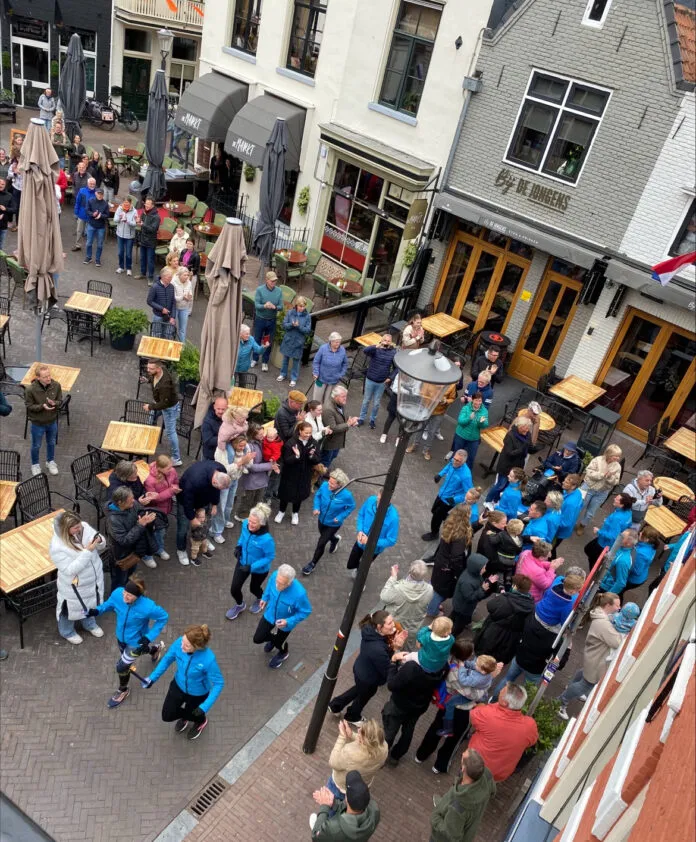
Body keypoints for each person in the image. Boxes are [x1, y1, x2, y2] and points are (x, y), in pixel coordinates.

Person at [88, 575, 168, 708]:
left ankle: (123, 690)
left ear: (138, 596)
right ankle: (154, 649)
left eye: (129, 595)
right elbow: (110, 604)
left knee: (122, 667)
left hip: (136, 643)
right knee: (126, 662)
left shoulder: (148, 607)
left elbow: (163, 617)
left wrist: (148, 637)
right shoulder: (118, 593)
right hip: (121, 637)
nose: (125, 596)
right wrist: (97, 611)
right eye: (125, 592)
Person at [143, 623, 224, 740]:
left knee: (196, 712)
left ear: (196, 647)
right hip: (178, 685)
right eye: (182, 641)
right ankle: (191, 716)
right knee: (167, 715)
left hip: (197, 694)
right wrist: (152, 678)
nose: (181, 646)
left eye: (186, 645)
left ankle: (200, 721)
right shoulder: (179, 643)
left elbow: (219, 683)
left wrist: (204, 707)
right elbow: (167, 660)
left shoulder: (208, 660)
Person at [329, 610, 407, 723]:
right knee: (363, 697)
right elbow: (387, 669)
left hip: (362, 670)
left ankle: (335, 705)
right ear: (379, 626)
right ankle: (352, 716)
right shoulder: (377, 648)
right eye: (390, 623)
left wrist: (392, 646)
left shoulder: (370, 632)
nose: (393, 625)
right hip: (369, 678)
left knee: (359, 690)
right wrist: (395, 649)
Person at [557, 592, 622, 719]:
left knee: (584, 673)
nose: (619, 608)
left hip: (593, 655)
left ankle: (570, 687)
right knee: (586, 684)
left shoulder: (601, 616)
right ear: (608, 605)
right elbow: (617, 643)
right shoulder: (603, 624)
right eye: (617, 605)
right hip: (597, 659)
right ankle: (561, 701)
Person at [382, 645, 450, 766]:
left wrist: (393, 662)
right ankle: (396, 756)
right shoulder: (444, 666)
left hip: (399, 704)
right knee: (408, 731)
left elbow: (391, 685)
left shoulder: (412, 667)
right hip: (419, 706)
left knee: (390, 731)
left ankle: (382, 754)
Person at [50, 511, 106, 644]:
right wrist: (88, 551)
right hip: (74, 586)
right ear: (66, 529)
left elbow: (101, 542)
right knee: (69, 609)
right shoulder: (57, 546)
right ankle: (67, 631)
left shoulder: (83, 526)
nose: (80, 529)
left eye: (80, 525)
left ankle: (89, 624)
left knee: (90, 603)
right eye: (76, 528)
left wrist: (100, 540)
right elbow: (70, 570)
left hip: (93, 579)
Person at [468, 683, 538, 781]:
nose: (500, 691)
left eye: (502, 691)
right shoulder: (530, 725)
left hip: (474, 767)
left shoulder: (487, 714)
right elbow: (531, 742)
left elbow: (473, 715)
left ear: (505, 703)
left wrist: (482, 705)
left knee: (464, 785)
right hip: (499, 774)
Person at [253, 563, 312, 669]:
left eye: (281, 584)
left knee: (279, 644)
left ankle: (283, 652)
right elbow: (269, 587)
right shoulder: (275, 575)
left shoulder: (299, 594)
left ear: (289, 583)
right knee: (258, 638)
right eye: (277, 582)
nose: (277, 586)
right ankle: (276, 640)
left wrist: (288, 621)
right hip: (270, 614)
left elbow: (306, 611)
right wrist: (265, 598)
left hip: (285, 623)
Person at [430, 749, 496, 842]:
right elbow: (493, 791)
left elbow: (451, 835)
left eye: (463, 756)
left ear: (464, 768)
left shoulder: (458, 806)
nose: (462, 753)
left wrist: (435, 818)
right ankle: (443, 806)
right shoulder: (486, 774)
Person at [226, 502, 275, 620]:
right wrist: (238, 546)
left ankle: (261, 598)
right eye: (249, 520)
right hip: (243, 562)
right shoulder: (245, 524)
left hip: (260, 569)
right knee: (234, 588)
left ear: (261, 524)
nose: (250, 524)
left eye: (254, 523)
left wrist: (252, 567)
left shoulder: (267, 539)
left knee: (254, 588)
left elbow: (270, 557)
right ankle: (240, 605)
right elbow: (243, 537)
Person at [176, 461, 230, 566]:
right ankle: (181, 549)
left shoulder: (221, 471)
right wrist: (192, 518)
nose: (220, 490)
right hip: (185, 499)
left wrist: (215, 504)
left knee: (203, 522)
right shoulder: (194, 480)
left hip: (203, 499)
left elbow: (216, 490)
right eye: (219, 487)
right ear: (214, 482)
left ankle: (202, 540)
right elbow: (187, 501)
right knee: (183, 526)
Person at [303, 469, 356, 575]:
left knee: (321, 543)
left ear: (339, 485)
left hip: (333, 524)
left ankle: (312, 564)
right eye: (329, 481)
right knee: (324, 536)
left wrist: (340, 517)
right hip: (321, 519)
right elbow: (318, 496)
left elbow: (351, 506)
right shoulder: (324, 486)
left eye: (332, 483)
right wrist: (316, 507)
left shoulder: (346, 495)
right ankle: (335, 540)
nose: (329, 484)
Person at [474, 574, 535, 664]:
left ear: (515, 586)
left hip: (493, 634)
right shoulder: (531, 607)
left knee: (481, 659)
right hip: (510, 641)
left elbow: (490, 606)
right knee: (496, 664)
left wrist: (502, 596)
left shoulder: (505, 599)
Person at [325, 719, 388, 803]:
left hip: (341, 787)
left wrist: (342, 736)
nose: (358, 729)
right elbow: (369, 744)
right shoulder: (384, 747)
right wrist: (351, 735)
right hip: (363, 784)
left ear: (364, 740)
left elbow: (333, 762)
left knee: (330, 803)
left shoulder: (350, 753)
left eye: (361, 731)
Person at [427, 505, 473, 616]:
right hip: (447, 569)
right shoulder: (460, 536)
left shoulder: (450, 525)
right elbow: (456, 558)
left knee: (435, 584)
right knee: (440, 592)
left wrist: (478, 523)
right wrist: (459, 573)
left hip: (440, 562)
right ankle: (432, 610)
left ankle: (429, 601)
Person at [438, 654, 500, 737]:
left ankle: (448, 728)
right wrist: (464, 661)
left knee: (449, 704)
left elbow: (463, 681)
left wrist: (462, 667)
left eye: (477, 664)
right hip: (477, 691)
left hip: (468, 697)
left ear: (483, 671)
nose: (475, 664)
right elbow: (472, 665)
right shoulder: (483, 671)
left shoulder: (478, 679)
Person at [310, 770, 380, 841]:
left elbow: (315, 837)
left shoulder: (333, 828)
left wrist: (324, 806)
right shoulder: (375, 810)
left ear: (346, 798)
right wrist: (333, 802)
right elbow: (351, 809)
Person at [107, 486, 159, 580]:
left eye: (133, 498)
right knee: (120, 579)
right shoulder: (113, 520)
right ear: (120, 502)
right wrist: (140, 525)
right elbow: (124, 541)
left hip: (135, 550)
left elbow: (141, 513)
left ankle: (128, 583)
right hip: (123, 555)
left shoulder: (133, 504)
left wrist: (149, 520)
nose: (133, 500)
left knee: (130, 572)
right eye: (130, 499)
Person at [275, 421, 322, 524]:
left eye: (310, 433)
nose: (308, 435)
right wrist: (296, 456)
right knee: (285, 494)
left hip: (305, 474)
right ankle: (281, 511)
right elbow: (286, 460)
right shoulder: (291, 443)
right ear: (300, 431)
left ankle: (295, 513)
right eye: (306, 432)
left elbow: (318, 459)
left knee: (299, 495)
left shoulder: (313, 443)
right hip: (290, 475)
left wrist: (311, 456)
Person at [422, 450, 473, 542]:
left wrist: (454, 499)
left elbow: (468, 493)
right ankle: (451, 519)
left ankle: (434, 533)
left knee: (436, 516)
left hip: (449, 500)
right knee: (434, 510)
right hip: (442, 493)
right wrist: (440, 474)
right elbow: (448, 466)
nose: (455, 462)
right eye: (454, 459)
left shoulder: (466, 476)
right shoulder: (453, 462)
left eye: (458, 461)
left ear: (463, 462)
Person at [346, 491, 400, 577]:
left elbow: (391, 540)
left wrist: (371, 541)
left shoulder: (393, 517)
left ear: (389, 499)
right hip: (360, 542)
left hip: (374, 550)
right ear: (378, 494)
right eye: (379, 498)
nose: (379, 502)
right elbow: (361, 515)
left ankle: (360, 575)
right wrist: (360, 530)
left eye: (383, 500)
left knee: (363, 567)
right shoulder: (371, 500)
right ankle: (359, 568)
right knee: (351, 564)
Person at [379, 561, 433, 646]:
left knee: (391, 643)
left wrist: (393, 577)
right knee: (408, 645)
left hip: (396, 623)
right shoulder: (429, 589)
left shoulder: (398, 588)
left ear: (410, 571)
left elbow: (384, 597)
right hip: (414, 625)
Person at [142, 359, 182, 466]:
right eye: (147, 367)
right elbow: (154, 378)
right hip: (161, 403)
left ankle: (177, 458)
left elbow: (164, 404)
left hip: (169, 408)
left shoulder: (165, 385)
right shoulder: (159, 371)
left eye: (151, 368)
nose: (148, 370)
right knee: (151, 419)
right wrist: (149, 380)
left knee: (170, 432)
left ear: (158, 369)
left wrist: (150, 407)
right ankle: (149, 439)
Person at [576, 444, 623, 534]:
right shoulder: (597, 460)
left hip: (602, 492)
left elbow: (616, 481)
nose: (618, 458)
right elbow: (589, 472)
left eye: (619, 456)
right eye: (616, 456)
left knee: (591, 512)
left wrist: (610, 477)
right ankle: (571, 522)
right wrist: (602, 475)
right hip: (588, 488)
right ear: (609, 454)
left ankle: (582, 525)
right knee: (579, 506)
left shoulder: (617, 467)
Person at [235, 423, 279, 519]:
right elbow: (251, 467)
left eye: (263, 433)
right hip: (251, 480)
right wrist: (269, 466)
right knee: (247, 502)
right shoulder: (248, 446)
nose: (263, 436)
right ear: (253, 434)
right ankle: (241, 517)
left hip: (261, 479)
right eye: (260, 434)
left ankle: (251, 517)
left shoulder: (263, 442)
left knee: (256, 501)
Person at [25, 364, 62, 477]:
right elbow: (29, 406)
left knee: (51, 442)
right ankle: (35, 465)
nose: (48, 378)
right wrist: (42, 406)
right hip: (38, 424)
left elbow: (60, 401)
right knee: (36, 445)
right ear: (38, 378)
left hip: (52, 421)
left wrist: (54, 403)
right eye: (45, 377)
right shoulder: (30, 390)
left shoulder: (56, 385)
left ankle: (50, 461)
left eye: (49, 375)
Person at [485, 416, 532, 503]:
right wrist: (522, 448)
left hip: (517, 466)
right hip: (506, 466)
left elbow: (529, 445)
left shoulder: (527, 434)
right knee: (500, 485)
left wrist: (533, 448)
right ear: (520, 427)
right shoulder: (510, 436)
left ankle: (496, 500)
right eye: (526, 428)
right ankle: (488, 501)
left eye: (528, 428)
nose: (527, 430)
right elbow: (510, 453)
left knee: (507, 486)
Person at [450, 553, 497, 636]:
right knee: (459, 624)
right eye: (483, 567)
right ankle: (452, 635)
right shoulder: (467, 582)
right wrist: (482, 589)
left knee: (455, 615)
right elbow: (470, 598)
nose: (485, 569)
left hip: (462, 605)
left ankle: (452, 623)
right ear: (476, 567)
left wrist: (488, 581)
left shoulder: (473, 573)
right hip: (463, 607)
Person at [144, 455, 180, 561]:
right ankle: (155, 551)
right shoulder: (150, 480)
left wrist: (175, 487)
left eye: (171, 467)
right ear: (159, 468)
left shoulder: (172, 471)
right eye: (168, 468)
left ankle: (158, 548)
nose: (171, 470)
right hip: (155, 509)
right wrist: (171, 491)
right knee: (159, 531)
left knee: (160, 531)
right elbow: (154, 499)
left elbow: (176, 483)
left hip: (166, 506)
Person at [584, 492, 634, 567]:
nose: (614, 499)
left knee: (592, 559)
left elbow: (613, 536)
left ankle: (594, 572)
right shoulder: (628, 512)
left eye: (617, 499)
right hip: (609, 543)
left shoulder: (617, 518)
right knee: (588, 549)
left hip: (604, 544)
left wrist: (599, 531)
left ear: (622, 505)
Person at [358, 334, 397, 429]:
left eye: (388, 341)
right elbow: (365, 351)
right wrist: (377, 346)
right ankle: (361, 418)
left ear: (391, 342)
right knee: (366, 401)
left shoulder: (393, 352)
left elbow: (397, 368)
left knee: (376, 403)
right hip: (370, 379)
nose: (386, 342)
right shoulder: (375, 349)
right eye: (385, 340)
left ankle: (372, 420)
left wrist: (390, 378)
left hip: (381, 382)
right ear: (381, 340)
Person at [320, 385, 359, 469]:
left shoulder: (340, 403)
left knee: (333, 456)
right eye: (343, 396)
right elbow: (332, 428)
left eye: (346, 396)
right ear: (335, 397)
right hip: (330, 442)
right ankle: (320, 475)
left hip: (337, 440)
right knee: (325, 460)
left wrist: (351, 421)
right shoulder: (328, 409)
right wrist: (348, 424)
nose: (345, 398)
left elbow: (343, 416)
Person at [252, 271, 283, 371]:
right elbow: (257, 305)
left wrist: (275, 307)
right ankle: (255, 359)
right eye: (272, 281)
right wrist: (264, 306)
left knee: (268, 341)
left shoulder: (279, 291)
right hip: (260, 319)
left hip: (271, 320)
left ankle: (265, 362)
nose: (274, 282)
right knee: (257, 339)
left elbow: (281, 306)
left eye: (275, 281)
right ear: (267, 280)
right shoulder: (260, 290)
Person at [448, 393, 489, 469]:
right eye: (476, 400)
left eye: (480, 401)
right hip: (461, 435)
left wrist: (481, 423)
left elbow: (485, 425)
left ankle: (466, 473)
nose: (478, 403)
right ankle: (451, 469)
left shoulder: (484, 411)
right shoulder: (466, 408)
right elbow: (460, 421)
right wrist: (469, 418)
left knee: (470, 458)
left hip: (474, 438)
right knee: (457, 454)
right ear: (472, 400)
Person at [278, 296, 311, 387]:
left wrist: (299, 326)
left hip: (298, 342)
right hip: (288, 340)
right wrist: (291, 325)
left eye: (303, 306)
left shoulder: (307, 316)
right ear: (296, 305)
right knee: (285, 358)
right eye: (300, 306)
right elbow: (284, 325)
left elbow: (308, 330)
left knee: (296, 361)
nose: (301, 308)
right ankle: (283, 374)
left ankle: (293, 378)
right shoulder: (290, 313)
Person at [483, 518, 524, 589]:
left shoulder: (502, 534)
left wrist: (491, 534)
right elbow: (519, 551)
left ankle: (500, 585)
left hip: (501, 558)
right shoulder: (519, 540)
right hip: (511, 560)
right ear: (519, 531)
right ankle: (508, 580)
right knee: (509, 570)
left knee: (500, 572)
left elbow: (493, 541)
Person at [623, 524, 661, 595]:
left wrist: (624, 564)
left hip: (633, 580)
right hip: (642, 576)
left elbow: (637, 571)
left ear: (646, 540)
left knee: (619, 592)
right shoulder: (652, 547)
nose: (640, 533)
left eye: (642, 533)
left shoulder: (641, 554)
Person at [598, 529, 638, 594]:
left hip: (604, 587)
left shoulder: (623, 561)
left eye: (622, 537)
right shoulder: (628, 548)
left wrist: (607, 595)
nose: (619, 537)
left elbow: (621, 583)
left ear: (628, 543)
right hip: (602, 579)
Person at [313, 333, 349, 403]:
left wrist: (341, 374)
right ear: (331, 341)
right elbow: (316, 362)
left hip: (333, 381)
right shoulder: (323, 348)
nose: (338, 344)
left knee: (328, 402)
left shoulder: (342, 350)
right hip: (321, 379)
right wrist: (316, 372)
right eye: (336, 342)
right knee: (316, 401)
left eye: (339, 342)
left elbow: (345, 363)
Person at [554, 473, 584, 553]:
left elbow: (565, 523)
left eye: (566, 482)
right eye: (564, 480)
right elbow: (581, 505)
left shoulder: (570, 503)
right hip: (561, 528)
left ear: (573, 486)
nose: (563, 482)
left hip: (558, 531)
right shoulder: (577, 492)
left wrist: (550, 521)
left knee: (550, 549)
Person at [136, 197, 160, 285]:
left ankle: (150, 277)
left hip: (151, 242)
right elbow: (141, 221)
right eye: (146, 203)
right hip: (143, 239)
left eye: (148, 204)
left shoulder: (156, 217)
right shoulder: (144, 213)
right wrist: (138, 220)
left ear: (152, 205)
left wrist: (143, 225)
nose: (146, 205)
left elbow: (153, 229)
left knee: (150, 261)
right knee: (142, 258)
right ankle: (142, 274)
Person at [84, 185, 109, 267]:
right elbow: (87, 210)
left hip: (101, 227)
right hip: (91, 225)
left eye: (101, 194)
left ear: (103, 195)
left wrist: (100, 216)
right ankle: (88, 257)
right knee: (89, 243)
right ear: (95, 193)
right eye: (98, 193)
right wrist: (92, 214)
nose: (100, 195)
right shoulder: (90, 201)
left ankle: (97, 260)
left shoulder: (105, 204)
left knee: (100, 245)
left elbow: (107, 215)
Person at [114, 197, 138, 276]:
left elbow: (134, 224)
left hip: (129, 236)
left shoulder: (134, 211)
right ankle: (121, 267)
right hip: (120, 234)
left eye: (128, 203)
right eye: (125, 202)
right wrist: (120, 218)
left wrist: (127, 221)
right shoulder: (119, 209)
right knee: (120, 253)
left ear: (131, 203)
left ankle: (128, 268)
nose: (126, 204)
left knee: (128, 254)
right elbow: (115, 220)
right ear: (123, 203)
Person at [73, 175, 96, 254]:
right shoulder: (82, 190)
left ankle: (88, 246)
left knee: (89, 232)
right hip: (81, 214)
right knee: (79, 230)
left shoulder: (96, 193)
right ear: (87, 183)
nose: (92, 185)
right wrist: (76, 212)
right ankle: (78, 245)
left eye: (93, 184)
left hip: (91, 216)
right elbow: (78, 202)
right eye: (91, 184)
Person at [172, 267, 193, 343]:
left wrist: (189, 297)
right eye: (185, 275)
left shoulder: (189, 283)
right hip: (175, 308)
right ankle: (171, 343)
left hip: (184, 308)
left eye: (187, 275)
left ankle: (182, 346)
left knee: (182, 329)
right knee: (171, 327)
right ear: (179, 275)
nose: (187, 277)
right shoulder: (173, 282)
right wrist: (182, 297)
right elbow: (173, 297)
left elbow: (190, 293)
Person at [262, 426, 283, 501]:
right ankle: (266, 493)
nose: (269, 439)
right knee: (266, 476)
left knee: (272, 476)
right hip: (265, 459)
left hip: (272, 460)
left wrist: (273, 458)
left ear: (276, 436)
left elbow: (277, 453)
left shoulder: (276, 444)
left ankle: (268, 495)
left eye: (271, 438)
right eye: (268, 437)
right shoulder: (265, 439)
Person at [0, 176, 16, 251]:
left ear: (5, 185)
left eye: (2, 184)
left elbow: (14, 209)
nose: (0, 185)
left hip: (3, 225)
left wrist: (6, 209)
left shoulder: (9, 196)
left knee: (1, 247)